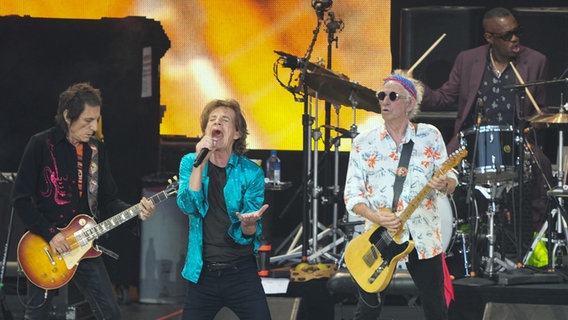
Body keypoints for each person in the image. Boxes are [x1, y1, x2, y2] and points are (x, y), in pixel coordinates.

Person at [11, 82, 156, 319]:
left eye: (97, 120)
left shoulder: (96, 150)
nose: (94, 127)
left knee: (110, 313)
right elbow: (21, 199)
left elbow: (107, 199)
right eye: (88, 120)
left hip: (85, 244)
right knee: (37, 315)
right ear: (68, 116)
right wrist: (51, 234)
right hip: (44, 247)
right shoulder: (41, 144)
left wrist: (135, 211)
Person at [416, 7, 553, 235]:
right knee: (434, 170)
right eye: (507, 35)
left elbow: (542, 109)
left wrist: (539, 120)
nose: (515, 38)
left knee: (544, 168)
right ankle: (442, 236)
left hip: (517, 140)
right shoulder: (468, 60)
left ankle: (539, 239)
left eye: (517, 32)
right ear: (489, 37)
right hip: (471, 139)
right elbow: (444, 98)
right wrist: (415, 89)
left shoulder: (536, 61)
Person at [344, 71, 457, 320]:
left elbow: (451, 180)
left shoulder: (430, 135)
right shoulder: (364, 142)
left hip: (423, 234)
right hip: (379, 234)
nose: (385, 100)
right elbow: (352, 195)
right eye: (381, 95)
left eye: (392, 96)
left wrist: (444, 184)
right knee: (367, 309)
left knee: (435, 305)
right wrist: (377, 217)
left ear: (409, 103)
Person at [176, 99, 271, 320]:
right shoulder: (190, 162)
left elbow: (249, 235)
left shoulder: (250, 172)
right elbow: (188, 205)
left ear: (237, 133)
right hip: (202, 273)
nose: (217, 122)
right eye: (212, 119)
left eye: (225, 120)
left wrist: (248, 224)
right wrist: (200, 163)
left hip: (241, 273)